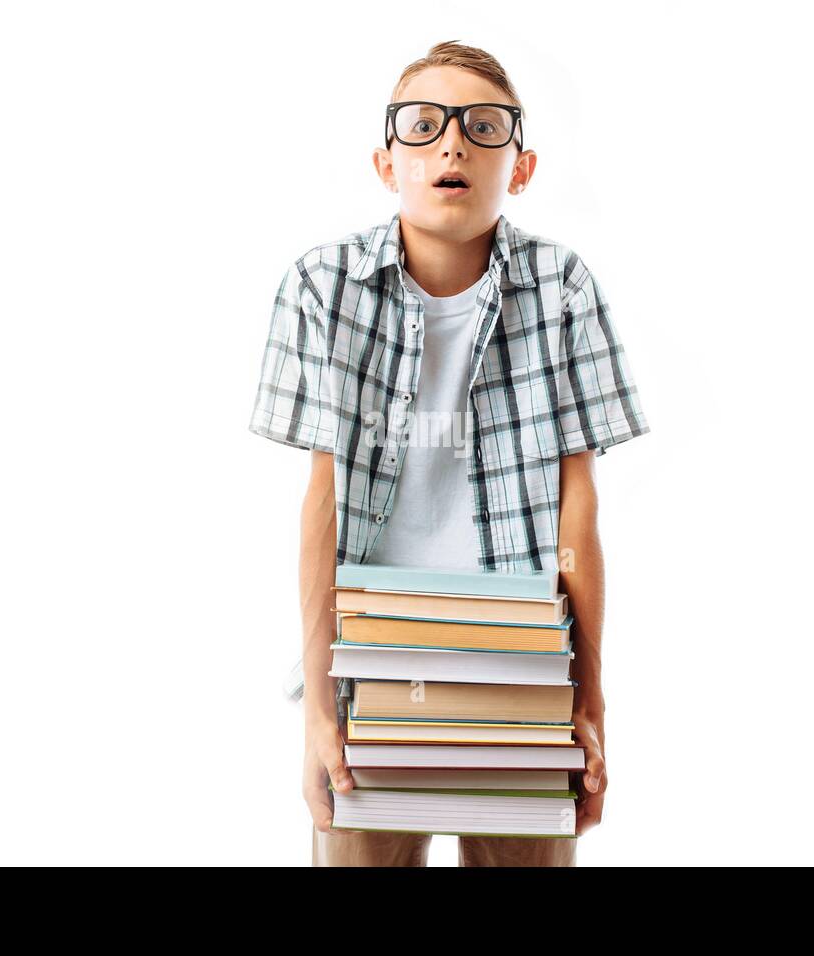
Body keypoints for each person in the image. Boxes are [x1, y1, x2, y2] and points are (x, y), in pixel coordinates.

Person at [247, 41, 651, 866]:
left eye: (483, 126)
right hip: (372, 657)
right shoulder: (321, 286)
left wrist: (589, 695)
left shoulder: (563, 288)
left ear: (523, 165)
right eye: (424, 125)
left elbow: (582, 505)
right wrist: (319, 706)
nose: (453, 145)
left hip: (523, 660)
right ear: (384, 159)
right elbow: (321, 502)